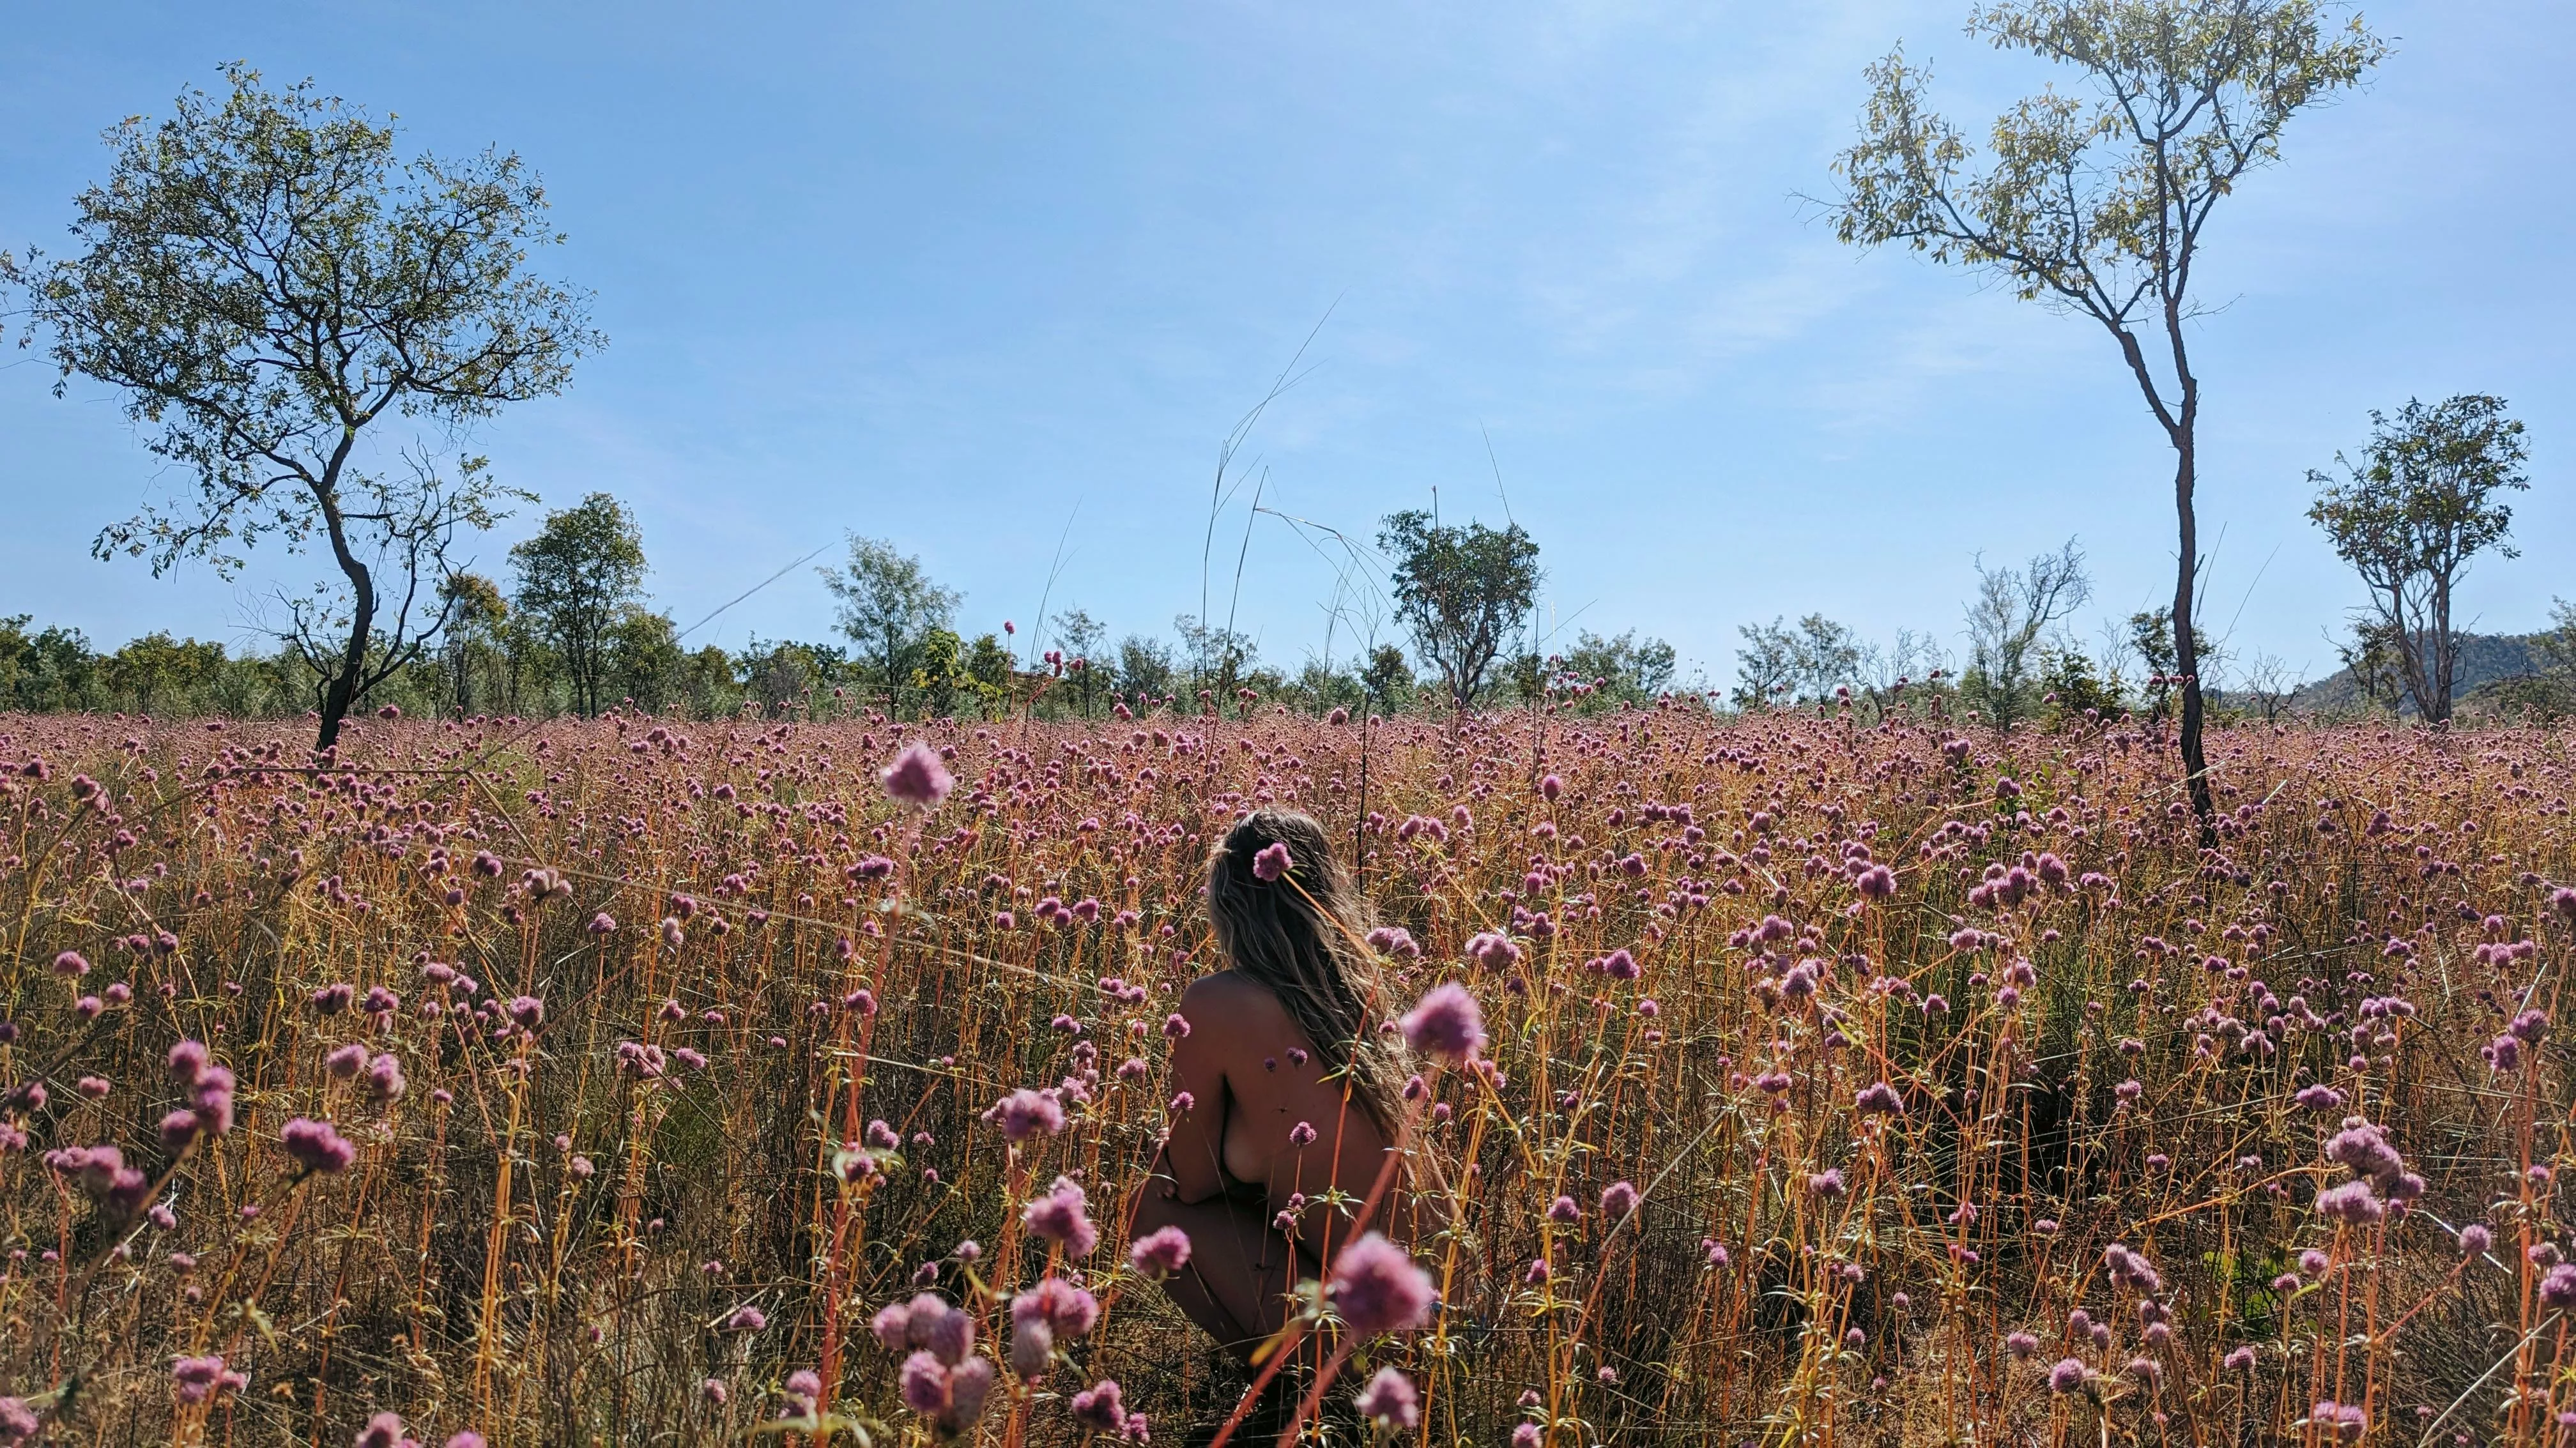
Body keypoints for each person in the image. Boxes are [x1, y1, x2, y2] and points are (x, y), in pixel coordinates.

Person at [1130, 808, 1413, 1364]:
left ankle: (1286, 1395)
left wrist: (1170, 1156)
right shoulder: (1357, 993)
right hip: (1458, 1325)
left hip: (1383, 1346)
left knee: (1150, 1213)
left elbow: (1189, 1184)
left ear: (1229, 900)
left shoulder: (1218, 1003)